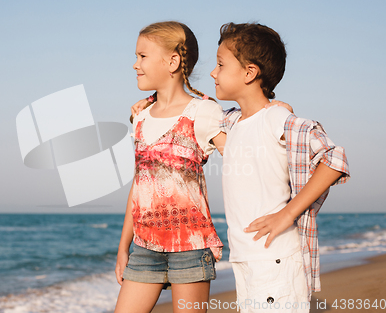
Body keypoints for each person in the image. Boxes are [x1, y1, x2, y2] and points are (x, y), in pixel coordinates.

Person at [212, 22, 350, 313]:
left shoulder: (275, 119)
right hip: (247, 258)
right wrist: (147, 104)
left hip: (273, 259)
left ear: (250, 73)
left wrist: (287, 214)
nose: (214, 72)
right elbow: (197, 112)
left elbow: (334, 159)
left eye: (221, 64)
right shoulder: (233, 122)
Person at [114, 21, 225, 313]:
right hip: (144, 248)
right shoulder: (140, 117)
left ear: (173, 61)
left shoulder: (204, 112)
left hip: (191, 248)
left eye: (142, 56)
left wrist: (270, 111)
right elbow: (140, 187)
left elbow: (245, 159)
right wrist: (123, 247)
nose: (135, 64)